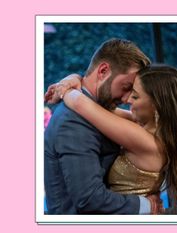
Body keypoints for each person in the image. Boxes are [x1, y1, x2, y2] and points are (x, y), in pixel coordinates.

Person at [44, 38, 162, 214]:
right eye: (126, 87)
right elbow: (89, 199)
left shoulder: (97, 110)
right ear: (103, 71)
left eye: (134, 93)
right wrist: (146, 205)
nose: (126, 99)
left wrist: (71, 82)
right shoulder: (73, 123)